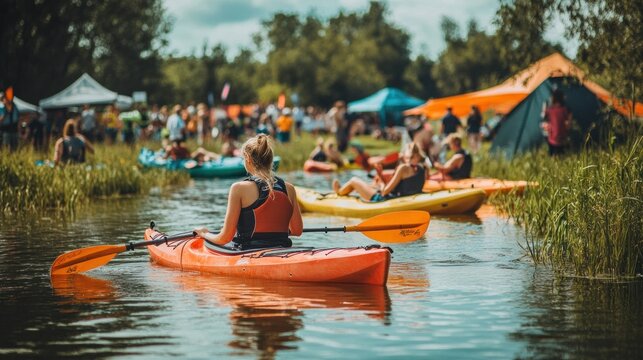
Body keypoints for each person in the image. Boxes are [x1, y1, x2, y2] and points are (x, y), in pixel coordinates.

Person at [193, 134, 303, 250]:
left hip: (249, 253)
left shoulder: (238, 188)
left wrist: (204, 233)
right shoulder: (289, 188)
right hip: (282, 251)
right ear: (270, 160)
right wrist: (272, 233)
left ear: (248, 159)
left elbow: (224, 238)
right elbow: (297, 230)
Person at [332, 142, 426, 202]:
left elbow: (384, 192)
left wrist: (381, 179)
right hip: (408, 200)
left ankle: (339, 192)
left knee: (354, 180)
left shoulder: (403, 168)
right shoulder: (422, 169)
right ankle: (349, 190)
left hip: (385, 200)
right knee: (370, 185)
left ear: (405, 156)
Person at [543, 89, 572, 156]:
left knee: (545, 129)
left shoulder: (550, 110)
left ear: (553, 99)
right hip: (562, 138)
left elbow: (544, 118)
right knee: (561, 154)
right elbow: (569, 125)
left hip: (552, 139)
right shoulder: (566, 110)